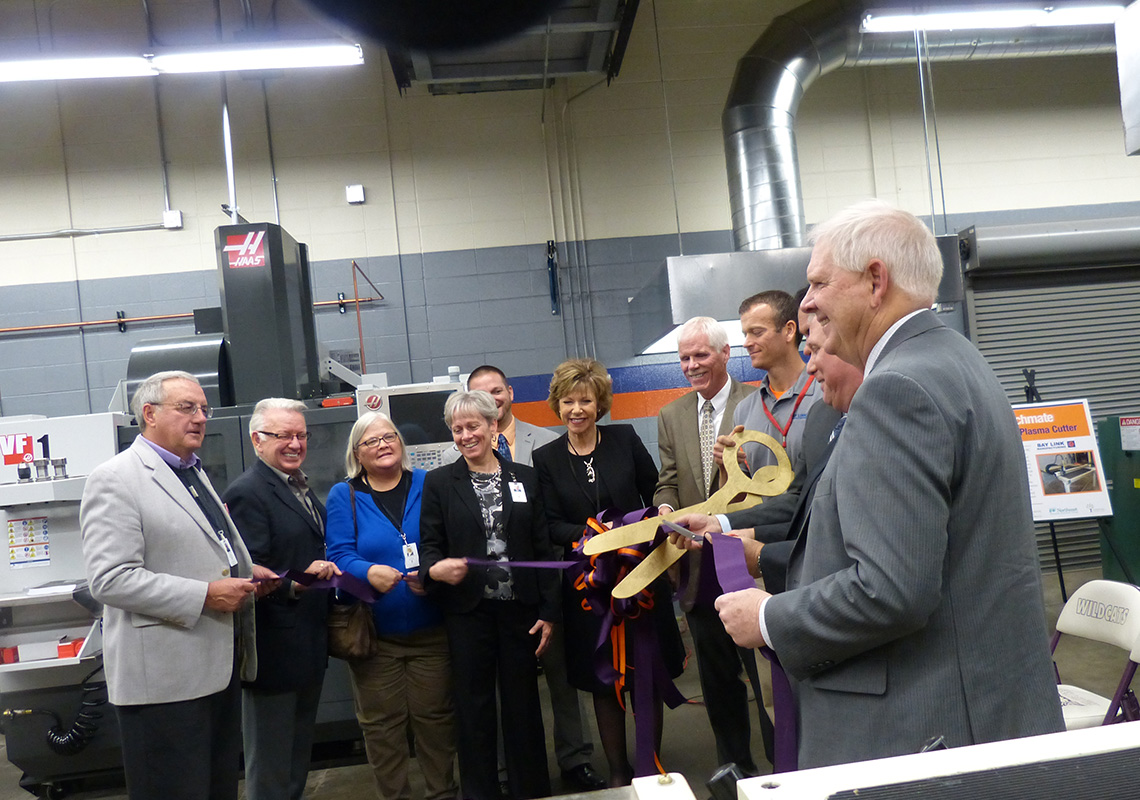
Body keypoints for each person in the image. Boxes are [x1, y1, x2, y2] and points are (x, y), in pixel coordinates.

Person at [714, 200, 1065, 768]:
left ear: (875, 280)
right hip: (976, 702)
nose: (807, 303)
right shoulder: (952, 357)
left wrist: (768, 618)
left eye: (819, 282)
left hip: (920, 725)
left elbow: (891, 590)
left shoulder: (896, 389)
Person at [80, 370, 278, 800]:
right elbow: (111, 579)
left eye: (204, 409)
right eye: (187, 408)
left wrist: (244, 569)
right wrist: (205, 594)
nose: (201, 418)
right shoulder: (115, 479)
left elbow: (201, 546)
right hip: (164, 685)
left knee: (214, 788)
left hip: (214, 667)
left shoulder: (191, 471)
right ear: (148, 413)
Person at [446, 365, 605, 793]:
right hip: (487, 601)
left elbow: (550, 522)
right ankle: (500, 770)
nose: (489, 400)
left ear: (507, 395)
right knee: (502, 693)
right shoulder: (451, 462)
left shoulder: (546, 443)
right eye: (479, 396)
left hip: (543, 581)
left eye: (495, 392)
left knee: (562, 678)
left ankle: (575, 758)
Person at [532, 358, 685, 787]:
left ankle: (648, 768)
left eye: (585, 400)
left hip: (641, 579)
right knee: (605, 679)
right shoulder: (545, 458)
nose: (577, 409)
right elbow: (548, 525)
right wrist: (596, 534)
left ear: (600, 404)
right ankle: (618, 773)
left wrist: (645, 525)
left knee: (645, 674)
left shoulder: (624, 438)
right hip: (588, 589)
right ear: (556, 406)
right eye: (568, 401)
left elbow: (655, 491)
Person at [420, 391, 557, 800]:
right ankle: (479, 792)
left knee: (523, 707)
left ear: (493, 425)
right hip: (467, 612)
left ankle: (529, 790)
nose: (465, 436)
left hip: (520, 611)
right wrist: (433, 568)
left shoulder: (525, 478)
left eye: (473, 426)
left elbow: (543, 548)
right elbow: (430, 544)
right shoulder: (440, 483)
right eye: (457, 429)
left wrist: (549, 612)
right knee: (473, 708)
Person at [651, 317, 770, 773]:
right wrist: (663, 509)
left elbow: (778, 483)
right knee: (719, 681)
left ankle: (785, 766)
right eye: (684, 358)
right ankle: (735, 769)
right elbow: (668, 482)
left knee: (764, 677)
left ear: (725, 354)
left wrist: (744, 465)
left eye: (700, 355)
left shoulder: (756, 403)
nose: (692, 365)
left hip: (747, 559)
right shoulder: (671, 415)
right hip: (697, 569)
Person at [672, 315, 863, 594]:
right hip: (777, 560)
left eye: (818, 351)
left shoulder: (838, 407)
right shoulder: (816, 415)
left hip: (839, 581)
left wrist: (759, 552)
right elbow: (800, 504)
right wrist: (722, 523)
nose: (811, 365)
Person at [325, 411, 458, 800]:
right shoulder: (344, 495)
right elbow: (339, 556)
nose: (383, 445)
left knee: (437, 721)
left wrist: (432, 573)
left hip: (432, 630)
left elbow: (445, 541)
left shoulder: (429, 483)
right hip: (374, 638)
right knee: (382, 729)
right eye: (371, 441)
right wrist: (368, 572)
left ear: (401, 444)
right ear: (357, 453)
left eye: (389, 437)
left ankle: (441, 793)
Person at [222, 398, 340, 800]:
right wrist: (298, 582)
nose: (294, 443)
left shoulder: (300, 488)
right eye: (283, 435)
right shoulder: (248, 493)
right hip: (273, 653)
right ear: (257, 440)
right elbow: (252, 572)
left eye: (300, 435)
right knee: (271, 768)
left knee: (294, 761)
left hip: (307, 644)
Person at [728, 290, 821, 472]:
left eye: (756, 332)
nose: (747, 342)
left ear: (789, 331)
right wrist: (727, 466)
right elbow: (742, 493)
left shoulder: (826, 394)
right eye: (745, 334)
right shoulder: (744, 411)